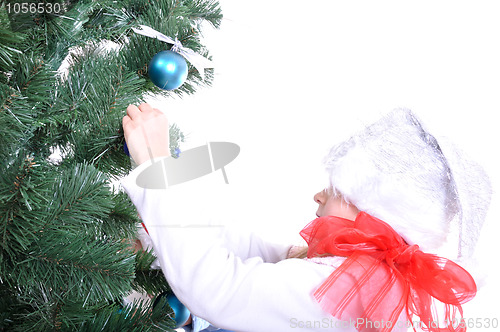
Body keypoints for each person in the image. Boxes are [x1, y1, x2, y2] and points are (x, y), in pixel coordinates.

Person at [121, 104, 490, 332]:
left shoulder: (358, 287)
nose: (318, 195)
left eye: (336, 190)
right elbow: (257, 252)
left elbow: (220, 289)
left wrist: (158, 170)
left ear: (375, 214)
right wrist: (155, 236)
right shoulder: (369, 276)